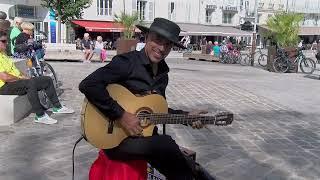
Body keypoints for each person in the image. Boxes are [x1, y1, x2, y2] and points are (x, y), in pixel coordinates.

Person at [79, 18, 215, 180]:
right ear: (147, 37)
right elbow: (88, 85)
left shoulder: (163, 74)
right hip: (116, 140)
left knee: (183, 169)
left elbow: (157, 110)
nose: (161, 48)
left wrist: (187, 117)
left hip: (144, 139)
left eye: (168, 44)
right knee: (166, 144)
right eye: (158, 40)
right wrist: (121, 115)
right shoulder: (127, 62)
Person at [0, 30, 74, 124]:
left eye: (6, 41)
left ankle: (57, 107)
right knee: (30, 84)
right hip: (3, 86)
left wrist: (24, 76)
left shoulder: (3, 54)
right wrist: (22, 78)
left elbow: (14, 70)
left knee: (46, 80)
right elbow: (5, 77)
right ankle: (40, 115)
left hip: (14, 81)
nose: (6, 44)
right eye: (3, 41)